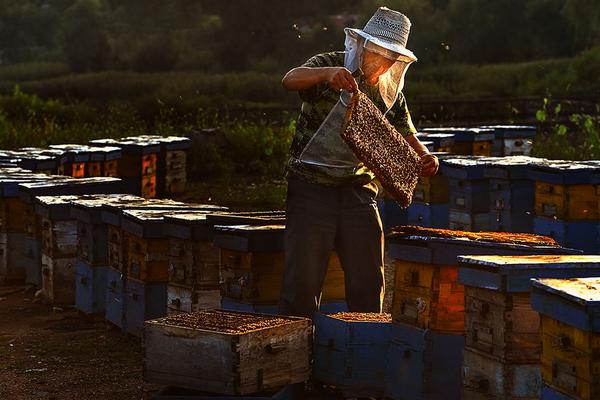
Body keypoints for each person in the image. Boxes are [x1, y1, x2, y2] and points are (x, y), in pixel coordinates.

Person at [279, 7, 439, 318]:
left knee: (368, 278)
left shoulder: (389, 92)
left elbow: (404, 132)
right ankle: (298, 352)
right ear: (363, 45)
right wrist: (327, 75)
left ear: (397, 60)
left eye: (389, 56)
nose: (381, 61)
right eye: (377, 52)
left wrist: (425, 156)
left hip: (359, 191)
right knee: (303, 281)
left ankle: (364, 347)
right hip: (311, 187)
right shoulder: (330, 63)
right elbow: (289, 79)